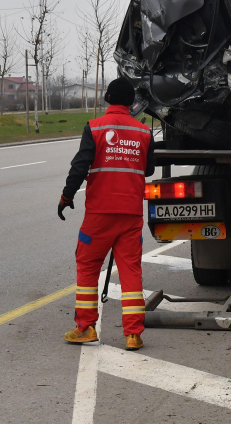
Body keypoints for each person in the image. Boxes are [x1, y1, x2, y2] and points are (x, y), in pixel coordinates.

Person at [58, 78, 155, 351]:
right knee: (131, 271)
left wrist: (66, 196)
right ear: (131, 102)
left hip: (99, 215)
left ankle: (86, 327)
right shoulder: (144, 133)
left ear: (108, 99)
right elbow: (147, 170)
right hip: (131, 215)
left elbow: (79, 167)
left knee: (88, 266)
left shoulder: (95, 128)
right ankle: (133, 334)